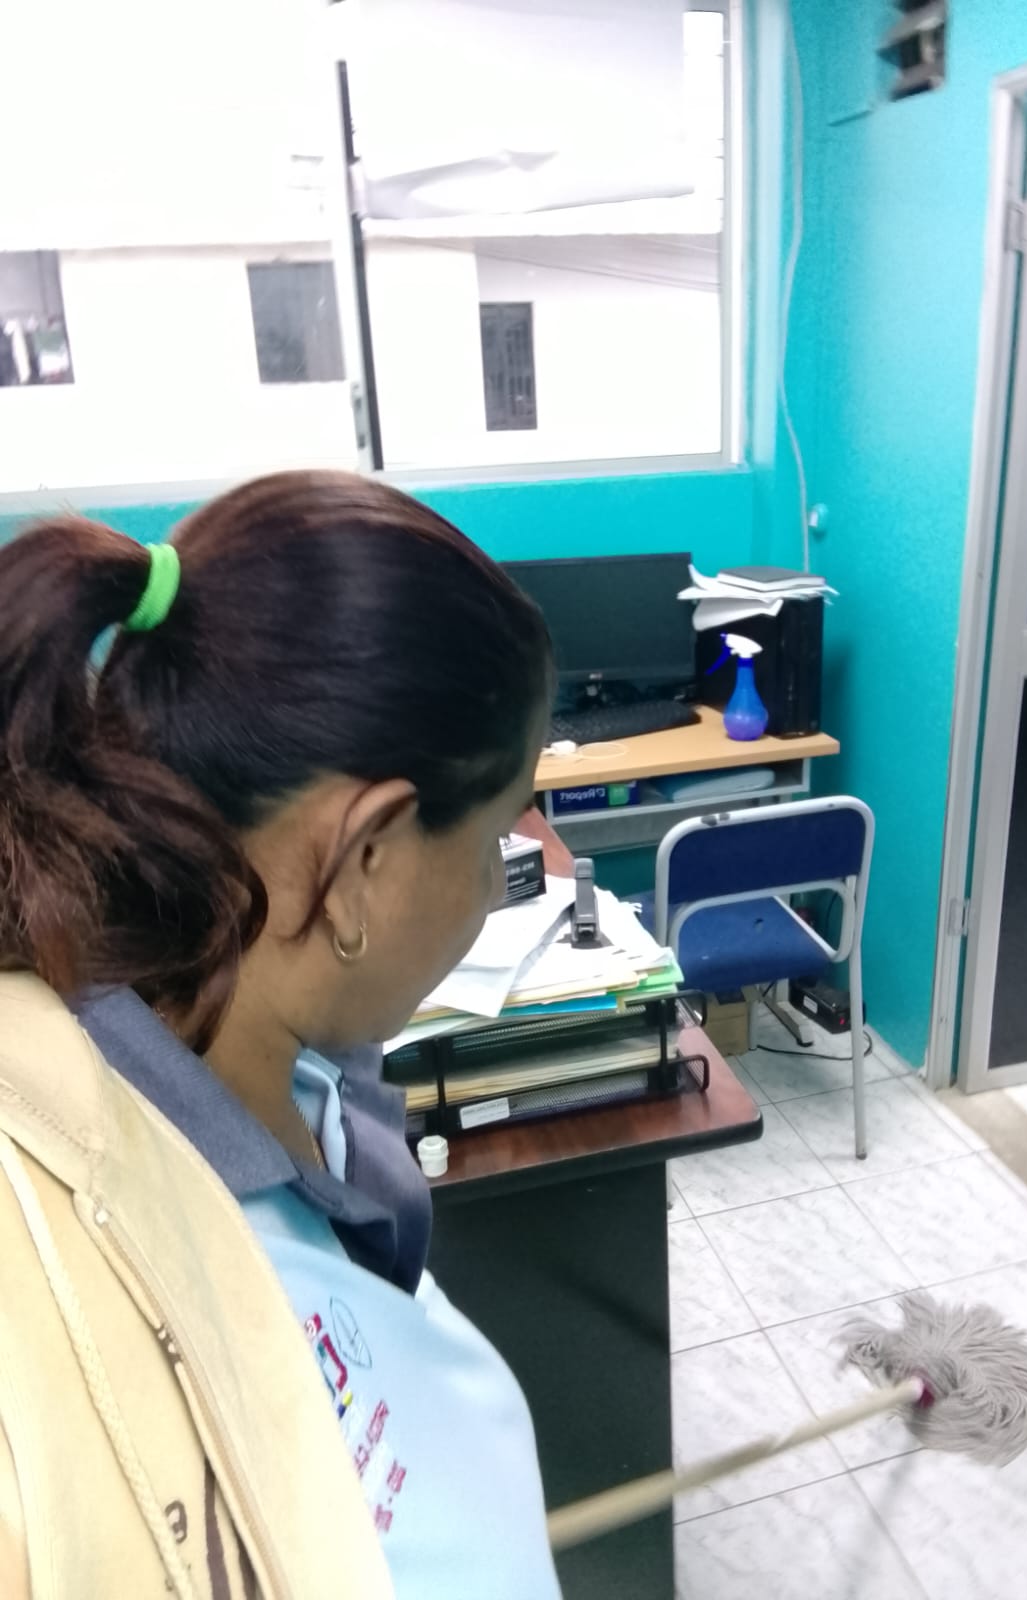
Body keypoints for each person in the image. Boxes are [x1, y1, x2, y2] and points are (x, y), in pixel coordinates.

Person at [0, 471, 563, 1599]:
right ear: (363, 858)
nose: (498, 881)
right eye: (499, 833)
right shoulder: (105, 1282)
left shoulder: (243, 1049)